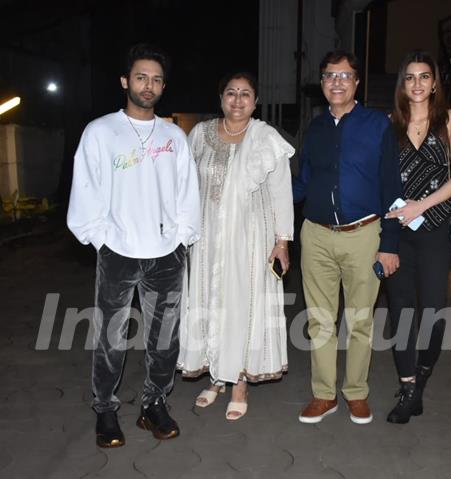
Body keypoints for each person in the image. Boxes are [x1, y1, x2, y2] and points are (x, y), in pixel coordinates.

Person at [66, 43, 201, 447]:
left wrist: (181, 238)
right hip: (118, 252)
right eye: (141, 77)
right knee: (110, 337)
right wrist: (101, 238)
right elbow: (85, 188)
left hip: (166, 254)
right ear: (126, 80)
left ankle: (153, 405)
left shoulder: (174, 136)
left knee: (165, 337)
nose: (149, 85)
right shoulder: (100, 131)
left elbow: (186, 192)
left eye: (157, 79)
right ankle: (105, 410)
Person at [177, 72, 295, 421]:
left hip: (250, 239)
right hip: (207, 239)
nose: (238, 100)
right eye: (231, 93)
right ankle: (216, 376)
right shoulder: (199, 134)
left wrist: (282, 242)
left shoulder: (265, 138)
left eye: (246, 94)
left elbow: (281, 193)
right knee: (210, 302)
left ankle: (239, 381)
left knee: (242, 306)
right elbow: (183, 186)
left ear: (256, 101)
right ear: (221, 98)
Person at [294, 50, 400, 425]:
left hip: (364, 234)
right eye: (329, 76)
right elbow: (303, 182)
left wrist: (390, 243)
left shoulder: (377, 125)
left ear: (356, 83)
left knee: (359, 320)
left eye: (344, 76)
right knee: (320, 319)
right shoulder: (316, 127)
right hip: (317, 236)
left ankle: (356, 393)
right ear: (322, 83)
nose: (336, 82)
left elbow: (392, 184)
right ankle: (324, 395)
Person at [383, 50, 451, 424]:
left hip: (434, 230)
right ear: (403, 84)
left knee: (433, 311)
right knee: (400, 311)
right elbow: (382, 179)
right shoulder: (390, 125)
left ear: (434, 83)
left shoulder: (450, 120)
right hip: (399, 233)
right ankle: (408, 388)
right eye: (410, 77)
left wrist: (422, 205)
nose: (417, 83)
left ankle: (422, 376)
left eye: (424, 76)